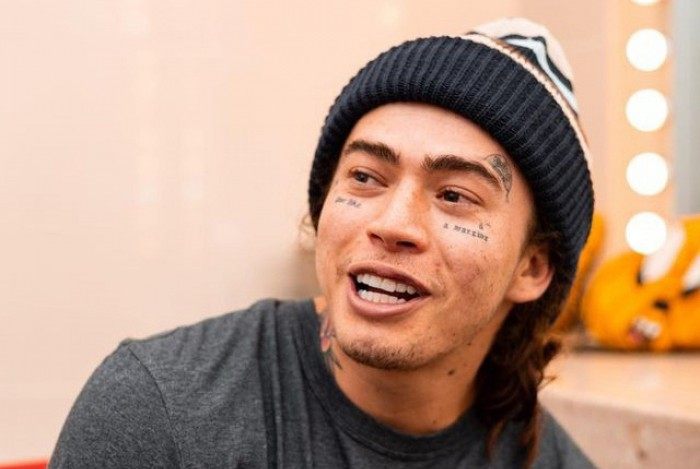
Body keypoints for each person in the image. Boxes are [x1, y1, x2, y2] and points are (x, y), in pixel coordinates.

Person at [50, 17, 595, 468]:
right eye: (365, 177)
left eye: (454, 195)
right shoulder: (160, 413)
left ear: (532, 267)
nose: (392, 223)